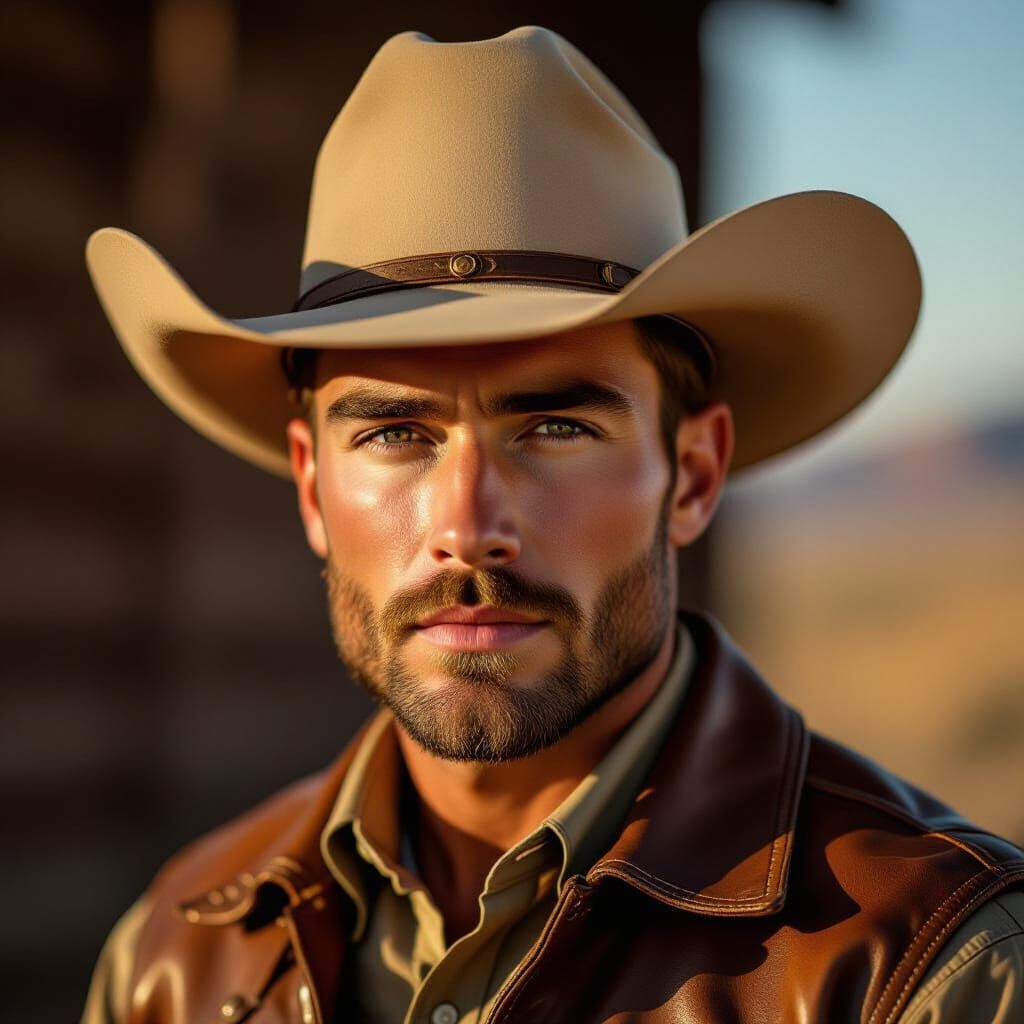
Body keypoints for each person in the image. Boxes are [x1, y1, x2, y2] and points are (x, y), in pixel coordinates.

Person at [81, 24, 1023, 1024]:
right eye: (397, 431)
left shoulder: (927, 967)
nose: (467, 524)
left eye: (556, 425)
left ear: (693, 475)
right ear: (313, 489)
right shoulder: (177, 955)